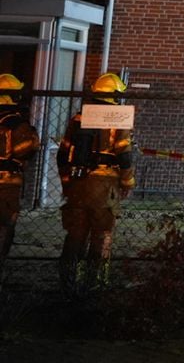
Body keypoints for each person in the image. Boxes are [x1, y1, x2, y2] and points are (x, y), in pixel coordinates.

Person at [58, 72, 136, 292]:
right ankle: (96, 284)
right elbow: (124, 155)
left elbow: (63, 154)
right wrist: (128, 182)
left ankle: (68, 281)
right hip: (105, 186)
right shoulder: (118, 119)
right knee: (102, 233)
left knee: (76, 233)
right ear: (115, 96)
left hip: (78, 182)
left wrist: (67, 182)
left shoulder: (79, 118)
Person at [0, 74, 38, 271]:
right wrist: (32, 136)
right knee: (5, 225)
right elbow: (26, 151)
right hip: (7, 183)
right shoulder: (15, 123)